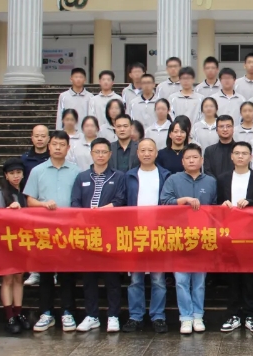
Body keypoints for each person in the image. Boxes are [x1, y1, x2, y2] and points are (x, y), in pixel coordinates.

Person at [24, 131, 81, 332]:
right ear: (49, 146)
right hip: (44, 230)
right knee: (46, 274)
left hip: (68, 230)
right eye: (55, 144)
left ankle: (68, 312)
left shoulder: (76, 171)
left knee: (67, 274)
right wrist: (43, 204)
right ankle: (46, 313)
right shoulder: (37, 171)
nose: (58, 148)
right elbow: (29, 200)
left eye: (62, 144)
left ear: (68, 148)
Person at [160, 143, 217, 334]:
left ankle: (198, 316)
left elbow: (215, 208)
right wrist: (183, 200)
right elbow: (164, 203)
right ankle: (185, 317)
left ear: (202, 160)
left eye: (195, 157)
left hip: (202, 237)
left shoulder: (211, 181)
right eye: (188, 158)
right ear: (182, 161)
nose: (191, 161)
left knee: (199, 281)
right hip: (178, 236)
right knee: (181, 280)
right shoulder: (173, 179)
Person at [71, 138, 126, 333]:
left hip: (110, 233)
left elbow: (121, 200)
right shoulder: (81, 177)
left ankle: (113, 316)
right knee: (89, 277)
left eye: (104, 152)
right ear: (91, 154)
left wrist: (102, 211)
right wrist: (87, 216)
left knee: (112, 278)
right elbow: (75, 202)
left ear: (110, 154)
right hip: (88, 233)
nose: (101, 155)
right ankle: (92, 315)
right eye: (97, 152)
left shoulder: (118, 176)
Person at [217, 142, 253, 333]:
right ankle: (233, 314)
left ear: (251, 157)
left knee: (249, 276)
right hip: (229, 234)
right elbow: (215, 204)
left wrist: (251, 202)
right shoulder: (222, 179)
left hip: (251, 234)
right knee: (232, 276)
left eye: (244, 153)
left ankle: (250, 314)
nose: (240, 156)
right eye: (237, 153)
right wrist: (222, 205)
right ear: (231, 156)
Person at [122, 138, 172, 333]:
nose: (146, 153)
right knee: (136, 279)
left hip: (158, 233)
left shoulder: (165, 175)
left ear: (156, 153)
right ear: (137, 153)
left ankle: (158, 316)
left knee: (158, 279)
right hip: (135, 233)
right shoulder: (129, 176)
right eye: (143, 150)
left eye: (150, 150)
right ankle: (135, 316)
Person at [0, 158, 30, 334]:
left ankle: (18, 312)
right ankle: (9, 315)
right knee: (7, 278)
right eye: (12, 173)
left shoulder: (24, 194)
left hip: (21, 241)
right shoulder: (0, 194)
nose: (16, 176)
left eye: (18, 173)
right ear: (6, 175)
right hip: (6, 241)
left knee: (19, 278)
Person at [21, 125, 51, 287]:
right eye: (37, 136)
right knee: (33, 238)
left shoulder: (53, 156)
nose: (40, 139)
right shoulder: (24, 159)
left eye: (43, 136)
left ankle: (53, 271)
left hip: (50, 202)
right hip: (32, 202)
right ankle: (34, 271)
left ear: (48, 139)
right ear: (32, 138)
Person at [88, 70, 124, 136]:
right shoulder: (93, 100)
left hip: (116, 133)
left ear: (112, 82)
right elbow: (91, 118)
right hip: (98, 133)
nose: (106, 82)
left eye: (108, 80)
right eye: (103, 79)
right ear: (100, 82)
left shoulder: (119, 99)